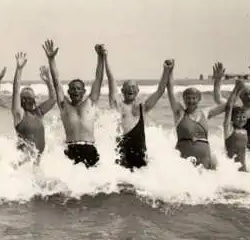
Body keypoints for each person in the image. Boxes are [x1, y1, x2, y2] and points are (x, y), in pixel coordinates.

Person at [105, 50, 172, 170]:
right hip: (123, 150)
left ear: (137, 91)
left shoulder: (143, 107)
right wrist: (105, 59)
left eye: (133, 87)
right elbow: (111, 81)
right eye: (128, 87)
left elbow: (160, 90)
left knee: (140, 182)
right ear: (123, 91)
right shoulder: (119, 106)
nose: (131, 89)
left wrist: (166, 70)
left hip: (140, 151)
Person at [43, 39, 105, 168]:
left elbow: (98, 79)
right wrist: (51, 60)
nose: (75, 91)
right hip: (71, 150)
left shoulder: (90, 102)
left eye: (78, 88)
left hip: (89, 148)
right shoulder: (64, 105)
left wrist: (100, 57)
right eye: (73, 89)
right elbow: (56, 81)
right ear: (69, 92)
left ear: (84, 91)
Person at [167, 60, 220, 170]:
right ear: (184, 99)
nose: (191, 101)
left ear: (199, 99)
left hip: (205, 158)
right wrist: (170, 71)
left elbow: (226, 105)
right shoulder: (180, 113)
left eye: (194, 98)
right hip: (184, 158)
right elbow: (170, 92)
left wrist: (217, 82)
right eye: (188, 98)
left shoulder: (205, 113)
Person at [212, 57, 250, 160]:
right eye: (245, 94)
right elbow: (218, 99)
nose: (249, 96)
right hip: (238, 158)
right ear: (240, 96)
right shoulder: (235, 110)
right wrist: (217, 81)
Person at [11, 52, 56, 166]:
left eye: (30, 98)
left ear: (34, 99)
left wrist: (48, 81)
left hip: (37, 162)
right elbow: (16, 90)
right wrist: (19, 69)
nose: (27, 101)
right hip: (24, 163)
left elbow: (53, 99)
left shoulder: (38, 113)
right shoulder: (19, 114)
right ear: (21, 100)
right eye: (24, 98)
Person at [223, 80, 248, 172]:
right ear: (232, 119)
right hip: (232, 170)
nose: (241, 119)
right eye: (238, 117)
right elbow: (229, 108)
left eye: (243, 117)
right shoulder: (229, 130)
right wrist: (236, 89)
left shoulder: (245, 131)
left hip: (243, 169)